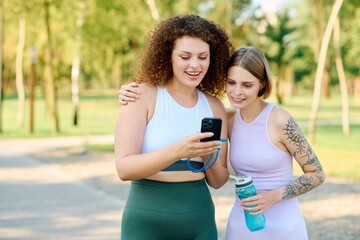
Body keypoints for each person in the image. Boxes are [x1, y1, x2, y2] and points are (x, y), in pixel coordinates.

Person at [118, 46, 325, 239]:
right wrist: (129, 92)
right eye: (231, 82)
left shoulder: (280, 119)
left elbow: (317, 174)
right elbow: (183, 113)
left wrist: (273, 196)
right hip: (241, 224)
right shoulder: (227, 120)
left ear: (262, 83)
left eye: (247, 85)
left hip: (283, 224)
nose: (236, 92)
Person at [115, 14, 234, 239]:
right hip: (146, 222)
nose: (195, 65)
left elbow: (218, 181)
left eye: (203, 57)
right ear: (168, 56)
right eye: (185, 56)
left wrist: (207, 155)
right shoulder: (141, 96)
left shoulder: (215, 107)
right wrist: (179, 151)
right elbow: (124, 168)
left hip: (199, 222)